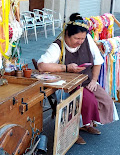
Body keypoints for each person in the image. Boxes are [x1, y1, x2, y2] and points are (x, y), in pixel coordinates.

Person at [37, 13, 119, 144]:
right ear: (67, 34)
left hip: (87, 80)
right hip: (67, 84)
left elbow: (98, 60)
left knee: (106, 101)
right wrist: (66, 68)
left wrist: (93, 81)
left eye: (82, 38)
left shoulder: (87, 39)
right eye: (76, 38)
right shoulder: (58, 45)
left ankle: (86, 124)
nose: (80, 42)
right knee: (88, 101)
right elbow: (41, 65)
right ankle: (72, 132)